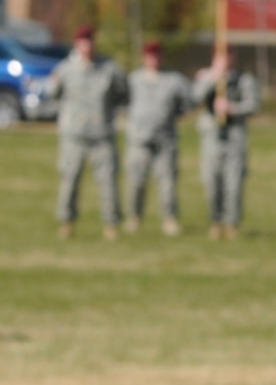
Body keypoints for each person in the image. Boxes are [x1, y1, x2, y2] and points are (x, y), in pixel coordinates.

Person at [48, 25, 128, 241]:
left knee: (108, 182)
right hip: (74, 136)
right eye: (83, 41)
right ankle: (67, 222)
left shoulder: (109, 69)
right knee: (69, 179)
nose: (87, 46)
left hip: (102, 135)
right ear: (77, 44)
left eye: (90, 41)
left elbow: (124, 94)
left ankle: (111, 224)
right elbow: (51, 93)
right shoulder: (66, 69)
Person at [123, 40, 191, 236]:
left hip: (165, 140)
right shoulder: (133, 80)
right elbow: (122, 102)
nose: (153, 59)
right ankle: (134, 217)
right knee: (136, 182)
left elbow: (188, 103)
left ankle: (169, 219)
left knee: (167, 182)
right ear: (144, 57)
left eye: (157, 55)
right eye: (149, 55)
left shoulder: (174, 80)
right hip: (139, 140)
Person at [193, 45, 260, 240]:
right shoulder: (205, 77)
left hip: (235, 136)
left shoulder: (244, 79)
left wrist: (233, 108)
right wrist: (212, 77)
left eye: (228, 54)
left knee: (234, 182)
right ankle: (216, 221)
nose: (225, 59)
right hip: (212, 136)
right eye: (220, 55)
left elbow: (254, 104)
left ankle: (232, 223)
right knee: (211, 180)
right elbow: (194, 97)